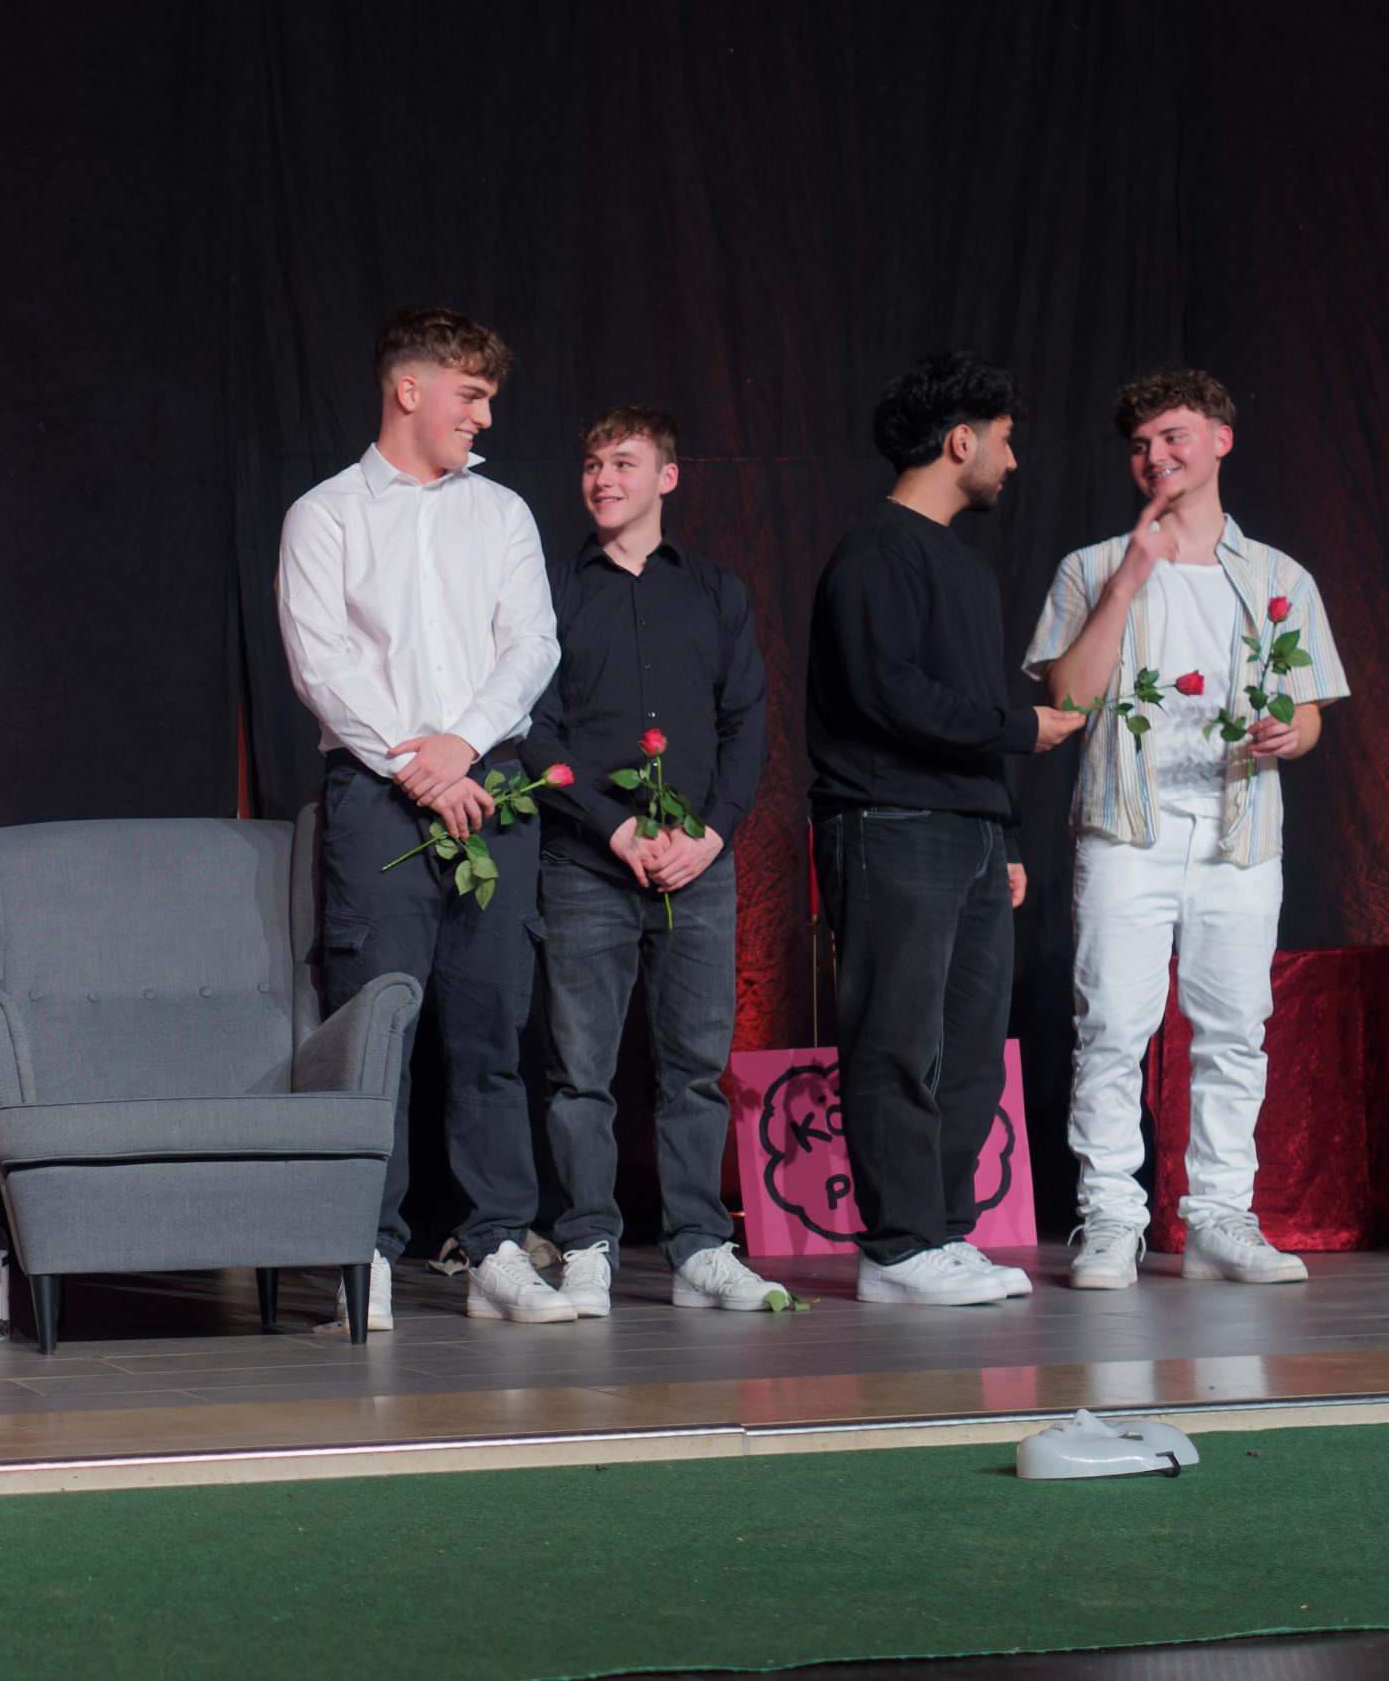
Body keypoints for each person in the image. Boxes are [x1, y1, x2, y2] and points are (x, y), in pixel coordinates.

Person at [276, 307, 566, 1333]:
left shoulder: (502, 513)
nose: (483, 417)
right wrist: (418, 763)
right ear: (410, 389)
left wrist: (464, 745)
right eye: (470, 395)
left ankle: (496, 1247)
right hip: (377, 794)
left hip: (492, 787)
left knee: (491, 1030)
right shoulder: (326, 515)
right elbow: (322, 665)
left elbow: (531, 643)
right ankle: (367, 1256)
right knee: (376, 1031)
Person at [1025, 369, 1348, 1289]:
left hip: (1238, 831)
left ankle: (1218, 1218)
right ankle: (1110, 1219)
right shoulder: (1091, 567)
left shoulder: (1281, 576)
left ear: (1219, 440)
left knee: (1235, 1031)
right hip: (1127, 828)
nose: (1155, 456)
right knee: (1112, 1028)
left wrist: (1292, 734)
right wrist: (1130, 580)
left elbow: (1310, 713)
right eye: (1140, 445)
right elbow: (1068, 698)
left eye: (1172, 437)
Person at [807, 352, 1085, 1306]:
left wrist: (1005, 834)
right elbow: (887, 693)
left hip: (970, 832)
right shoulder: (875, 553)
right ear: (961, 441)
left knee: (968, 1047)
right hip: (889, 823)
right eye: (1005, 440)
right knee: (896, 1039)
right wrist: (1016, 730)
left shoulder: (964, 566)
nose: (1014, 460)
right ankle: (897, 1248)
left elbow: (959, 703)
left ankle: (942, 1233)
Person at [522, 406, 780, 1315]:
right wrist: (612, 828)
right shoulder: (552, 590)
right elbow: (533, 730)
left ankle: (701, 1247)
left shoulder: (715, 590)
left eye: (623, 462)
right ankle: (587, 1242)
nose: (603, 479)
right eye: (593, 464)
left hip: (697, 865)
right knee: (578, 1073)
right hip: (586, 861)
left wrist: (711, 833)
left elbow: (747, 722)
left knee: (696, 1070)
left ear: (667, 477)